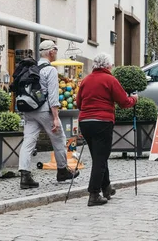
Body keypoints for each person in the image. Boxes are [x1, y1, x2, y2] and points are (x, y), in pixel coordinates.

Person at [77, 52, 138, 206]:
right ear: (107, 66)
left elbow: (78, 103)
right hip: (102, 122)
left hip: (85, 122)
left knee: (99, 156)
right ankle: (94, 193)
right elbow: (124, 102)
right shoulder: (110, 80)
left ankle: (107, 187)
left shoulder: (85, 80)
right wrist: (134, 100)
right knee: (101, 158)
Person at [18, 40, 79, 189]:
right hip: (44, 110)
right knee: (59, 138)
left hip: (29, 110)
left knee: (28, 141)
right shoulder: (50, 70)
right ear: (51, 52)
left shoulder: (32, 68)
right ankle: (62, 170)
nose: (56, 53)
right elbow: (53, 97)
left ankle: (25, 176)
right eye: (56, 50)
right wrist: (56, 118)